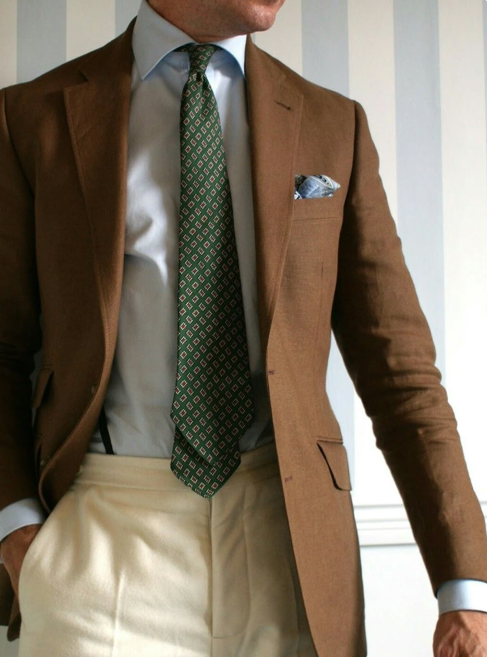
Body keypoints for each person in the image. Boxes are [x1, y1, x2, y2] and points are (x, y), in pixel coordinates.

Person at [0, 0, 487, 655]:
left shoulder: (331, 123)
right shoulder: (32, 117)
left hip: (287, 547)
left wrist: (465, 587)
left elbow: (400, 370)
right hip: (101, 542)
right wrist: (17, 528)